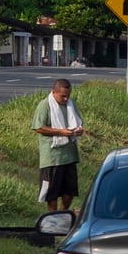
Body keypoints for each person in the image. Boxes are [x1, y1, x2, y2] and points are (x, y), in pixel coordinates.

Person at [32, 77, 86, 214]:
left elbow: (79, 123)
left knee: (70, 190)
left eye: (68, 96)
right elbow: (38, 128)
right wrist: (60, 132)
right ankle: (52, 216)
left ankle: (63, 214)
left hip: (70, 155)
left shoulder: (71, 105)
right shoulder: (45, 105)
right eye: (63, 96)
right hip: (52, 156)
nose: (66, 99)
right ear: (54, 92)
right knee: (52, 192)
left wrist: (78, 130)